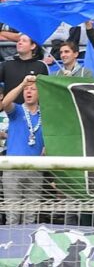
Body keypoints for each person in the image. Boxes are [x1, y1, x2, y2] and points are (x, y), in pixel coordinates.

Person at [1, 73, 44, 222]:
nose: (29, 91)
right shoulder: (17, 110)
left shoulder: (45, 115)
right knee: (12, 216)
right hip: (13, 169)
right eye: (26, 89)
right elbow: (5, 103)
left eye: (33, 89)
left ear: (40, 93)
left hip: (36, 170)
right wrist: (22, 83)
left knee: (30, 217)